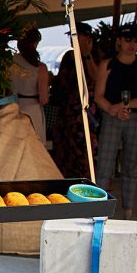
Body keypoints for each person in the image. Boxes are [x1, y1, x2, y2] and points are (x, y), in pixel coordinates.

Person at [90, 23, 137, 218]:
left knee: (130, 166)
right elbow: (98, 96)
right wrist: (113, 109)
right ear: (119, 41)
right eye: (127, 40)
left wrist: (125, 107)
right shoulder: (107, 64)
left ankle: (128, 209)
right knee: (104, 165)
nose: (131, 44)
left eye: (135, 40)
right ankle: (99, 208)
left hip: (135, 116)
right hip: (111, 117)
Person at [51, 21, 94, 178]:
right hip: (67, 109)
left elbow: (95, 78)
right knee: (65, 147)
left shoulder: (94, 55)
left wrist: (87, 54)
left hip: (84, 111)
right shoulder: (69, 56)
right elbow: (61, 83)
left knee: (83, 147)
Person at [8, 26, 50, 144]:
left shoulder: (9, 62)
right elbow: (44, 99)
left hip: (12, 107)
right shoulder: (39, 68)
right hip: (33, 110)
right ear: (35, 44)